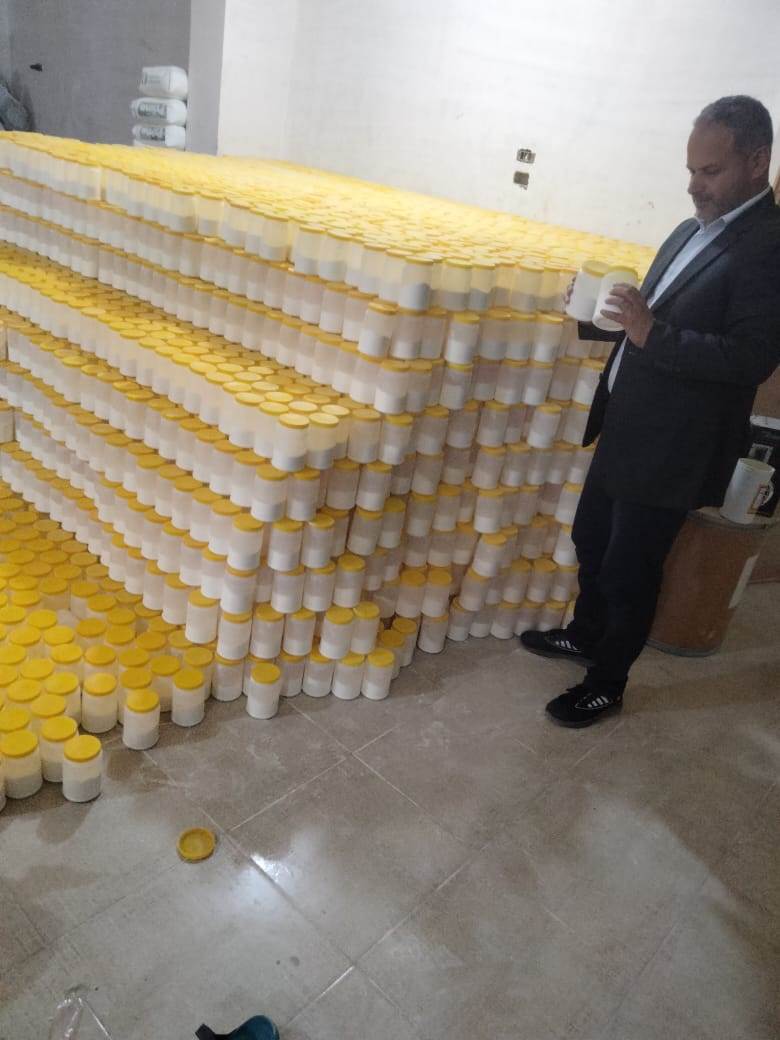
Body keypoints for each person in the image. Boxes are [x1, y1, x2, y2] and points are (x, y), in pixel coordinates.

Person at [520, 95, 780, 727]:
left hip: (674, 446)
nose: (694, 185)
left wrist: (649, 331)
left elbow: (750, 358)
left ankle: (607, 682)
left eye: (710, 171)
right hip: (628, 424)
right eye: (691, 170)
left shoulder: (767, 247)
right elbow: (651, 318)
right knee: (591, 540)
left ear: (757, 162)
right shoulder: (691, 230)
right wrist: (599, 316)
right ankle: (586, 634)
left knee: (629, 570)